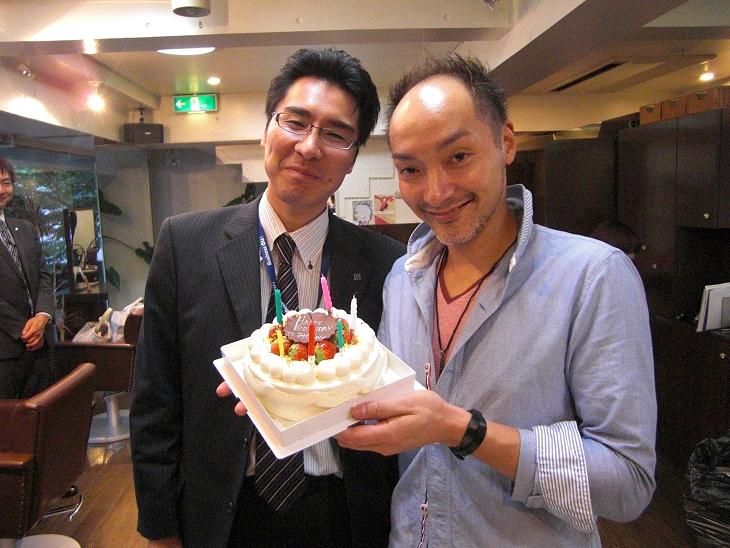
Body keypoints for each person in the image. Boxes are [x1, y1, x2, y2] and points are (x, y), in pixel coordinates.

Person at [336, 55, 657, 546]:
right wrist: (282, 394)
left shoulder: (592, 276)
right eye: (410, 169)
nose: (436, 191)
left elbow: (627, 483)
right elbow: (385, 409)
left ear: (505, 142)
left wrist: (464, 431)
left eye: (458, 157)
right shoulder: (403, 278)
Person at [129, 48, 405, 548]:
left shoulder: (385, 262)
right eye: (295, 122)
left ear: (353, 157)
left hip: (344, 513)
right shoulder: (185, 245)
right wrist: (159, 528)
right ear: (267, 129)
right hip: (223, 513)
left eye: (336, 134)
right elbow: (155, 399)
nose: (309, 147)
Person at [0, 156, 54, 399]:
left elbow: (43, 276)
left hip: (39, 350)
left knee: (44, 418)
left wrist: (42, 317)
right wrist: (25, 329)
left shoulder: (24, 228)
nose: (2, 190)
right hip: (5, 354)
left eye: (6, 182)